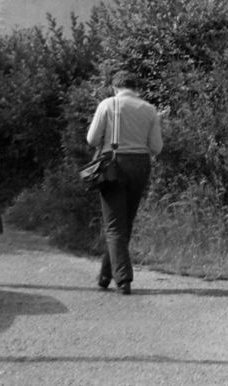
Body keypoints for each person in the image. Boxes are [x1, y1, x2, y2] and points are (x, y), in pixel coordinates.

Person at [86, 70, 163, 295]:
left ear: (115, 87)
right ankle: (104, 276)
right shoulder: (149, 109)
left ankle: (123, 279)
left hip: (113, 164)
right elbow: (157, 147)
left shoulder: (108, 104)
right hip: (141, 165)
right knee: (125, 223)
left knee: (113, 225)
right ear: (135, 87)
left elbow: (92, 139)